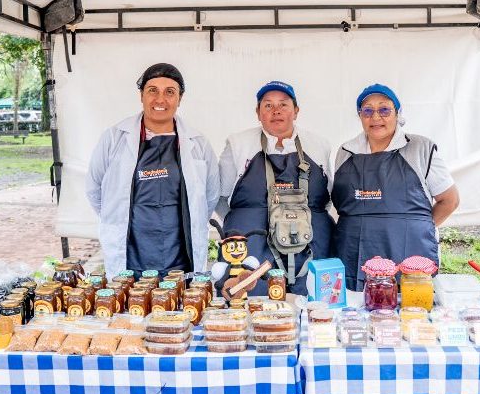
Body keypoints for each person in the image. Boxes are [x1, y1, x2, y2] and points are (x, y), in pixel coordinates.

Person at [86, 63, 219, 278]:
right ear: (141, 95)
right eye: (152, 91)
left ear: (179, 99)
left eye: (170, 92)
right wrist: (116, 218)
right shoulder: (114, 138)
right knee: (131, 305)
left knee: (183, 305)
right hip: (131, 252)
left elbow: (211, 195)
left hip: (181, 254)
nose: (160, 99)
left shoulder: (198, 143)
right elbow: (94, 188)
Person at [331, 84, 460, 291]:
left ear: (397, 114)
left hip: (410, 250)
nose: (376, 117)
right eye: (367, 110)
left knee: (411, 311)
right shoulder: (345, 152)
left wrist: (419, 227)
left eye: (384, 109)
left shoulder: (420, 148)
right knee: (355, 313)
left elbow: (450, 200)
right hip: (355, 249)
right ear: (360, 116)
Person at [218, 81, 333, 294]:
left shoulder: (319, 145)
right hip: (252, 248)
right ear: (258, 112)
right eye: (268, 105)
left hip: (311, 244)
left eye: (283, 105)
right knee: (250, 308)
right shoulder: (238, 143)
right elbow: (220, 195)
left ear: (296, 111)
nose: (276, 111)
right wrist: (242, 225)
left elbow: (330, 197)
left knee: (313, 307)